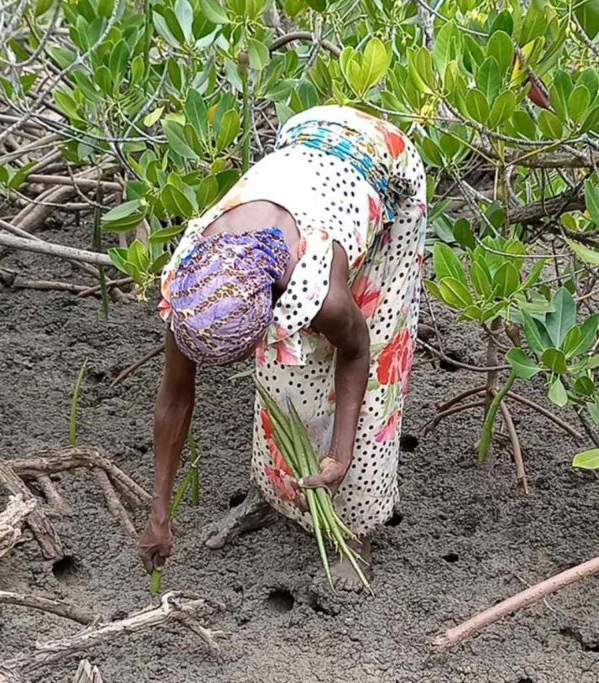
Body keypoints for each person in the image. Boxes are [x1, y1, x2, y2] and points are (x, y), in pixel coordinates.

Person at [137, 105, 427, 590]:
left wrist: (340, 455)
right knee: (279, 374)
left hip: (384, 169)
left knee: (376, 362)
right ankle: (272, 497)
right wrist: (158, 511)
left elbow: (357, 354)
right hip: (305, 147)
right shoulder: (195, 284)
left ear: (274, 301)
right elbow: (175, 393)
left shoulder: (324, 292)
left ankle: (354, 530)